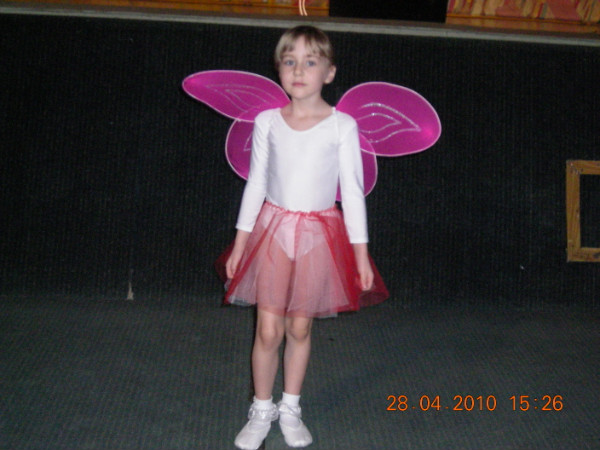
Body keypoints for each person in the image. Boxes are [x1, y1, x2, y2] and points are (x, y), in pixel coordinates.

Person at [222, 25, 388, 450]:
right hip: (273, 234)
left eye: (310, 62)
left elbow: (353, 193)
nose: (298, 70)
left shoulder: (342, 126)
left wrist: (361, 256)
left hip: (318, 237)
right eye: (289, 61)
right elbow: (256, 184)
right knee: (268, 330)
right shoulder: (267, 122)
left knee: (299, 327)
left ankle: (290, 407)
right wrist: (241, 243)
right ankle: (261, 408)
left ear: (329, 73)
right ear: (278, 69)